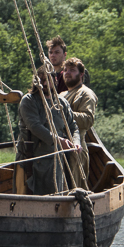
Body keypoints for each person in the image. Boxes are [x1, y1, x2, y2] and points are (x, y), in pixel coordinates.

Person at [17, 64, 79, 195]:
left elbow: (73, 126)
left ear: (55, 80)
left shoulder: (62, 103)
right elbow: (35, 126)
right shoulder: (28, 101)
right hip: (32, 160)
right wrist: (58, 141)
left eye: (48, 79)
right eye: (42, 79)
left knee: (56, 195)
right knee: (27, 197)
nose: (45, 83)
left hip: (56, 161)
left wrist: (76, 142)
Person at [62, 56, 96, 189]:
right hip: (58, 147)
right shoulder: (61, 95)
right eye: (65, 70)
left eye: (72, 70)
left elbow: (88, 120)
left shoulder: (86, 94)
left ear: (81, 74)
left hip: (76, 148)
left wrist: (64, 114)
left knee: (75, 188)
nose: (67, 73)